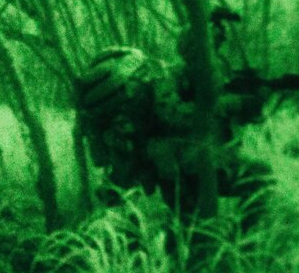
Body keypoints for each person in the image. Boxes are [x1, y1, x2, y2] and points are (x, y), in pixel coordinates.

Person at [76, 13, 273, 220]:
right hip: (181, 166)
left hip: (177, 168)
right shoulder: (161, 80)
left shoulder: (186, 78)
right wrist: (234, 104)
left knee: (188, 226)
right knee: (259, 177)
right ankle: (247, 247)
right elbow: (179, 116)